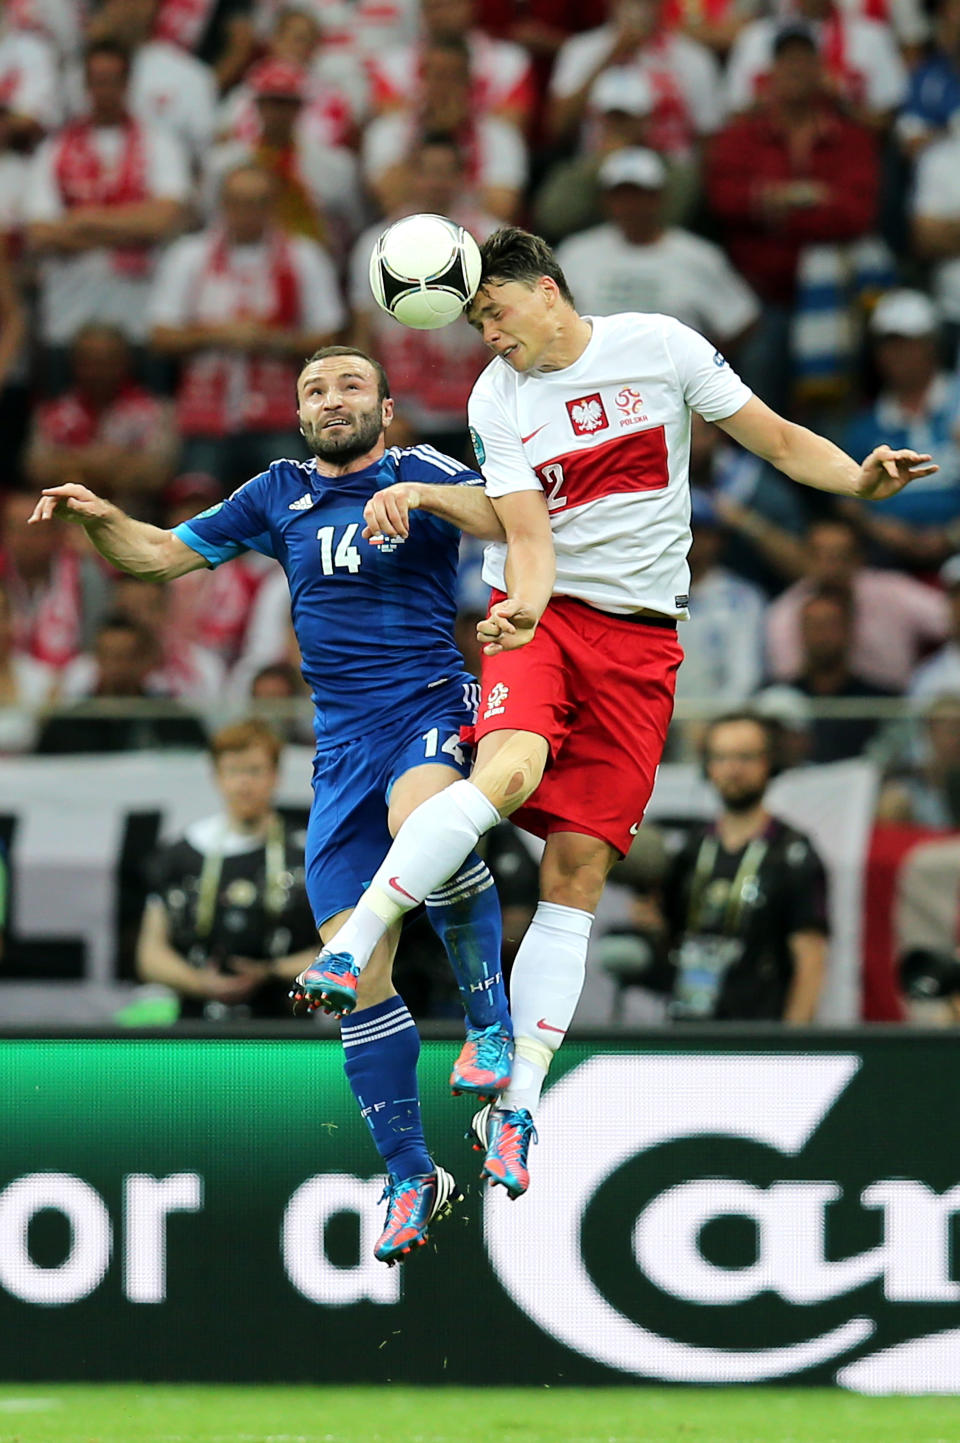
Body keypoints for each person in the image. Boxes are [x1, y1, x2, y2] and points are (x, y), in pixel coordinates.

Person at [303, 224, 935, 1203]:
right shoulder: (494, 397)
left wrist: (856, 478)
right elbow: (527, 535)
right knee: (504, 774)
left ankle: (513, 1106)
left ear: (548, 291)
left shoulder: (662, 347)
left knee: (579, 873)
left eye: (494, 313)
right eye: (473, 322)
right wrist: (524, 604)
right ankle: (352, 947)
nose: (489, 335)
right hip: (547, 622)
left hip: (642, 646)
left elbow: (771, 436)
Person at [28, 344, 522, 1266]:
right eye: (313, 390)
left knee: (433, 821)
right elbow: (162, 556)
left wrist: (423, 498)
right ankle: (413, 1171)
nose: (331, 400)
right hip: (337, 756)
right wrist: (102, 519)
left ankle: (492, 1027)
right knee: (359, 975)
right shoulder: (276, 491)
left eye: (350, 386)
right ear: (298, 414)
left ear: (384, 405)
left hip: (426, 707)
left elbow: (511, 516)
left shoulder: (425, 468)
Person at [601, 712, 829, 1021]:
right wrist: (650, 919)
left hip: (761, 1033)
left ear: (769, 762)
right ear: (707, 767)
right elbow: (668, 937)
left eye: (745, 757)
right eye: (720, 757)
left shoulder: (793, 853)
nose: (732, 769)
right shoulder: (691, 849)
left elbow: (811, 958)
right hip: (690, 1025)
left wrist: (793, 1046)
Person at [136, 718, 319, 1021]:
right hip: (198, 1027)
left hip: (286, 1027)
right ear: (216, 777)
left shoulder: (306, 853)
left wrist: (271, 971)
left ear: (276, 776)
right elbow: (150, 954)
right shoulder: (181, 854)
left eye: (254, 771)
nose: (243, 783)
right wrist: (199, 983)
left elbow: (336, 947)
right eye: (233, 771)